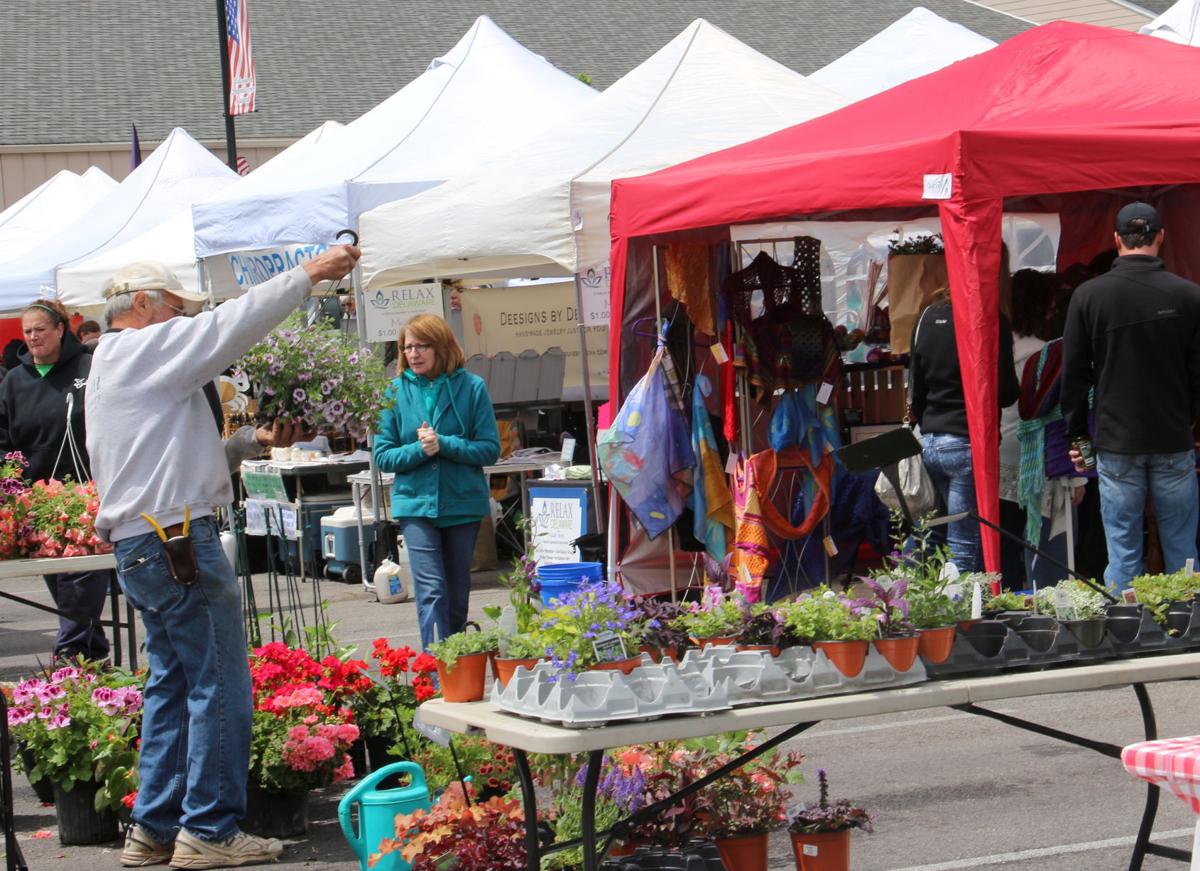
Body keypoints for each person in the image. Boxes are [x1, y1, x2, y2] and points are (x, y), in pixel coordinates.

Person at [86, 248, 360, 869]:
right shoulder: (141, 348)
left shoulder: (111, 360)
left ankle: (154, 827)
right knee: (218, 683)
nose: (181, 321)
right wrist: (308, 274)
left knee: (173, 685)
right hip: (176, 539)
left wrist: (245, 442)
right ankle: (208, 827)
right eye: (174, 310)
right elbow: (230, 325)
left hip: (145, 541)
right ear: (142, 305)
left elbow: (170, 455)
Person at [1063, 202, 1200, 589]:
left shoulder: (1089, 296)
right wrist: (1187, 417)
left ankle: (1128, 632)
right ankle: (1188, 627)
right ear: (1160, 236)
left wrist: (1077, 437)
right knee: (1181, 546)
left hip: (1116, 440)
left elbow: (1073, 376)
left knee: (1122, 547)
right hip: (1173, 437)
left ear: (1117, 240)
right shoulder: (1189, 295)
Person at [373, 314, 499, 651]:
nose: (413, 353)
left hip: (462, 505)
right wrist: (420, 449)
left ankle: (455, 662)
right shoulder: (394, 391)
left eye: (421, 345)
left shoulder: (472, 387)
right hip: (416, 506)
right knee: (431, 590)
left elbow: (489, 449)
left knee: (457, 594)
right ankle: (434, 672)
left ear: (440, 345)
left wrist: (444, 443)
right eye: (407, 347)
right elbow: (383, 456)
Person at [0, 298, 110, 662]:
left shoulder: (89, 367)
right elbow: (4, 439)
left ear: (60, 329)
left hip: (87, 498)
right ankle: (94, 657)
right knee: (66, 590)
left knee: (78, 583)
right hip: (38, 505)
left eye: (40, 330)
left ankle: (70, 654)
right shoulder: (14, 381)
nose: (33, 337)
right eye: (27, 332)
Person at [909, 290, 1020, 572]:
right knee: (964, 542)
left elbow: (916, 387)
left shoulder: (926, 317)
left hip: (930, 440)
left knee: (932, 536)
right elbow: (1006, 392)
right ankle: (962, 614)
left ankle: (922, 606)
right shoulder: (992, 320)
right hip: (968, 440)